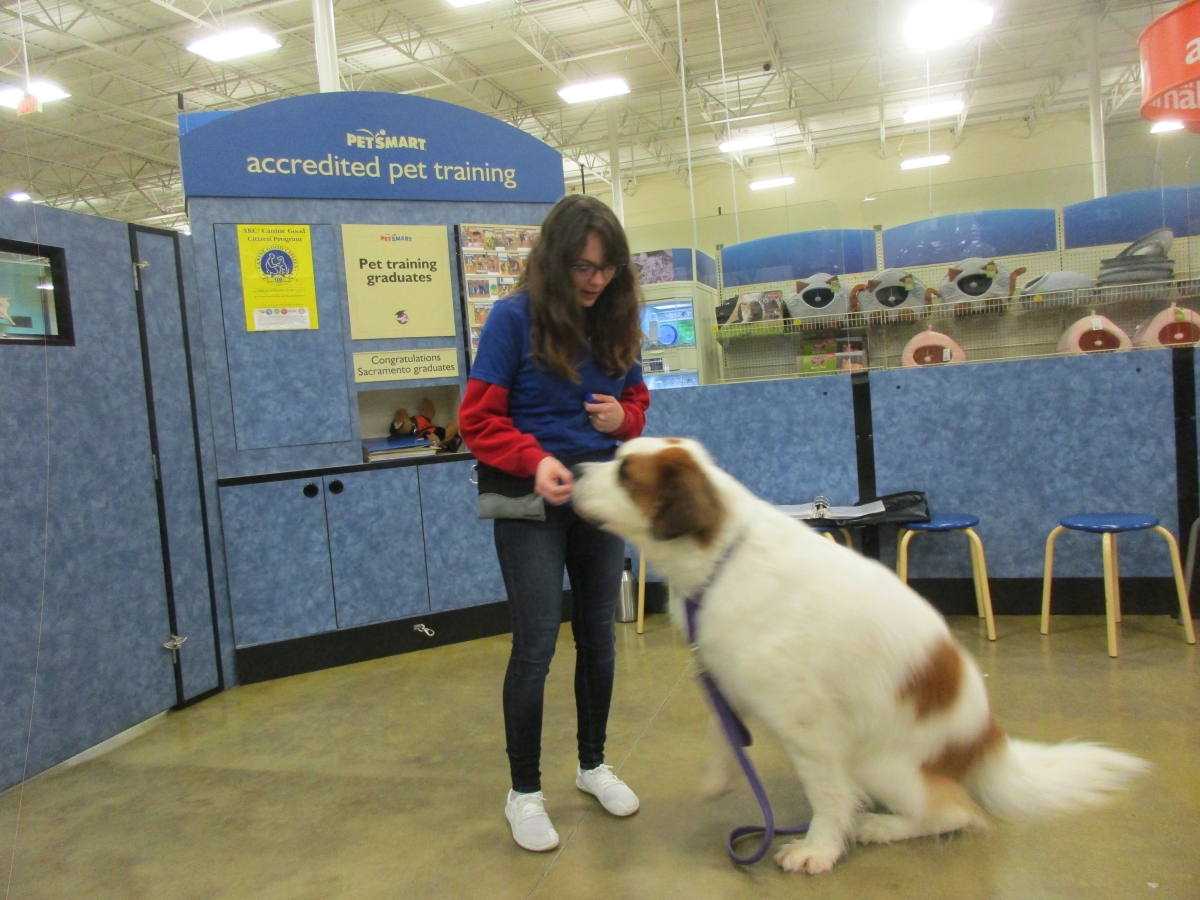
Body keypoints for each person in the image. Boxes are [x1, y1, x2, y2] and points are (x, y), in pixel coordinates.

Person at [458, 194, 650, 853]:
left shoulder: (616, 317)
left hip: (599, 495)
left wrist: (624, 420)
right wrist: (534, 459)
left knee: (599, 638)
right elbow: (477, 420)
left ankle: (593, 765)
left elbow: (636, 398)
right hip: (529, 500)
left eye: (608, 267)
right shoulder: (513, 319)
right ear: (554, 260)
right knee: (536, 644)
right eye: (583, 267)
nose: (597, 280)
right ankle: (525, 793)